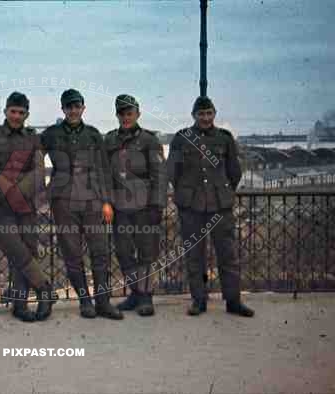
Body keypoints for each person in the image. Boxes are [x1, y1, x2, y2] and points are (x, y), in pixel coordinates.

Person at [167, 96, 254, 317]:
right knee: (194, 256)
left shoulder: (224, 139)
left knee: (228, 254)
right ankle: (199, 301)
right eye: (201, 114)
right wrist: (187, 193)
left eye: (209, 113)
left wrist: (222, 191)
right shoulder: (182, 138)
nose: (205, 118)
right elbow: (172, 172)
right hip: (191, 208)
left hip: (220, 207)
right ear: (194, 115)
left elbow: (234, 171)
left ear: (214, 114)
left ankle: (233, 301)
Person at [41, 89, 122, 320]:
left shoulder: (94, 135)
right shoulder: (51, 134)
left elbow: (104, 169)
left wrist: (107, 201)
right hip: (64, 201)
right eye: (69, 107)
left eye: (77, 106)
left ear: (83, 108)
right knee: (72, 253)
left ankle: (103, 302)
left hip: (92, 200)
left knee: (100, 252)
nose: (73, 110)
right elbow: (34, 156)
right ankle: (85, 301)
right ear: (63, 109)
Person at [0, 91, 56, 322]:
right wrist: (10, 191)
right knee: (17, 249)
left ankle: (20, 305)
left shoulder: (33, 138)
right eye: (13, 111)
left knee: (28, 249)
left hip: (25, 204)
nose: (16, 116)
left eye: (21, 113)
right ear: (5, 111)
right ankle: (44, 289)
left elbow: (38, 171)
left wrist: (17, 192)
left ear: (27, 115)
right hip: (0, 206)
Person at [104, 94, 167, 316]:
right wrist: (107, 201)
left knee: (146, 253)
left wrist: (157, 206)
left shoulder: (150, 141)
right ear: (117, 115)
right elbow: (104, 174)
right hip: (120, 208)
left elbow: (160, 175)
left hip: (145, 208)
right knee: (123, 253)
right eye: (121, 113)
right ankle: (135, 293)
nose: (125, 117)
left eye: (129, 113)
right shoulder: (109, 141)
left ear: (138, 114)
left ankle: (146, 298)